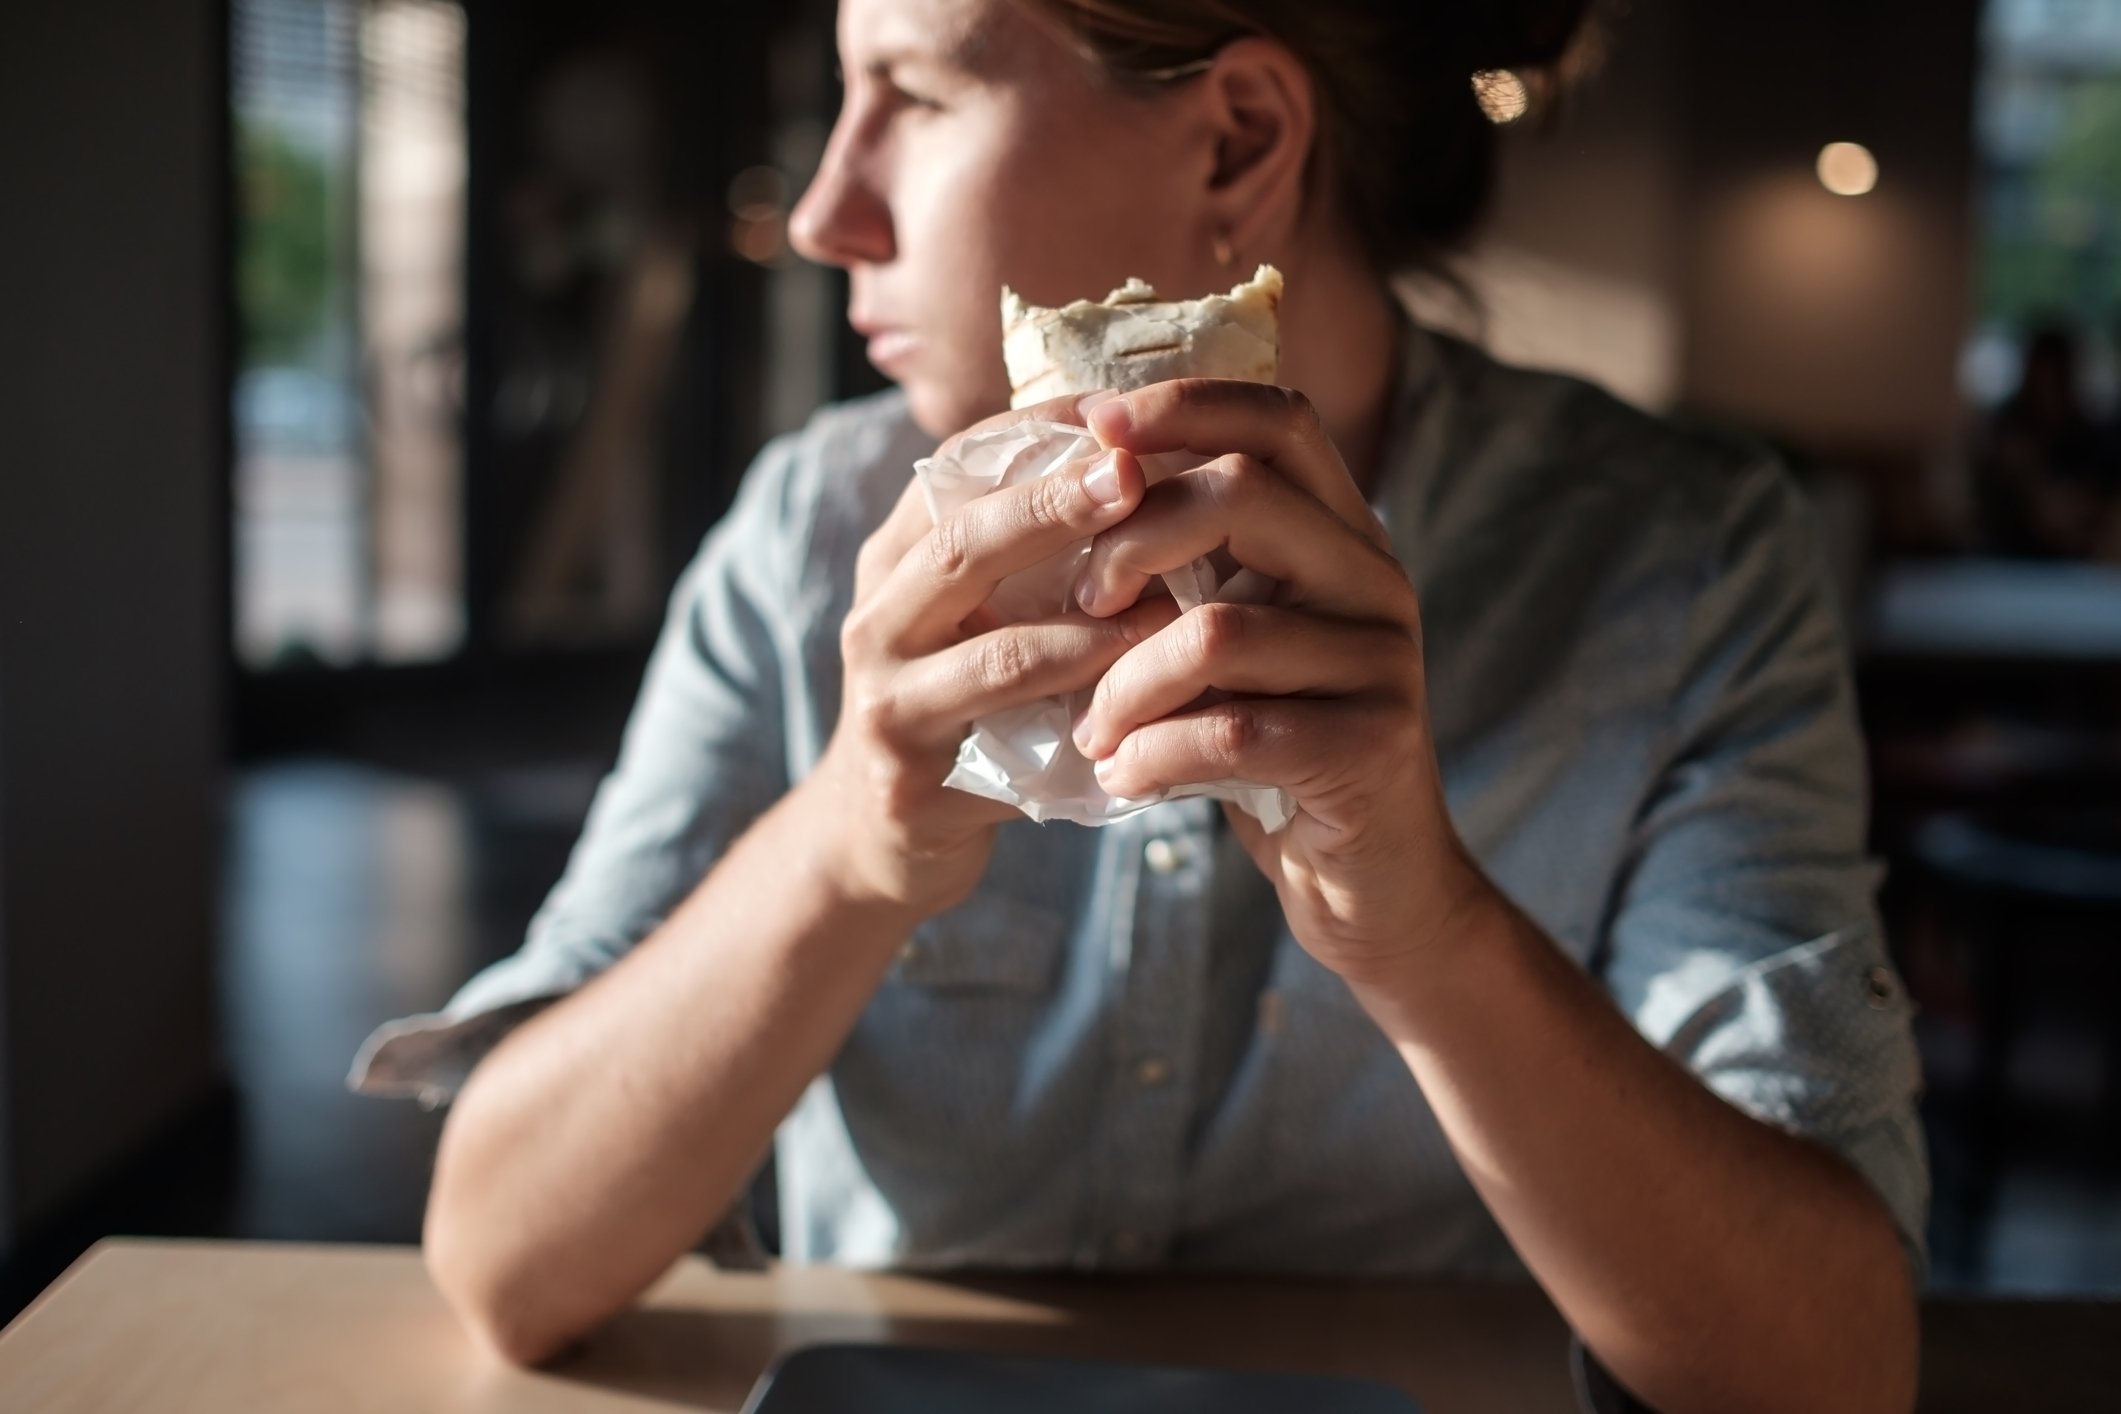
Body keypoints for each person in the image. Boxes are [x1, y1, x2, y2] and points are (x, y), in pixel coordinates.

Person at [353, 1, 1927, 1408]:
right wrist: (848, 842)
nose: (826, 210)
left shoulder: (1679, 559)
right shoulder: (806, 540)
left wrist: (1424, 928)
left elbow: (1827, 1372)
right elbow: (504, 1259)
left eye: (915, 90)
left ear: (1238, 138)